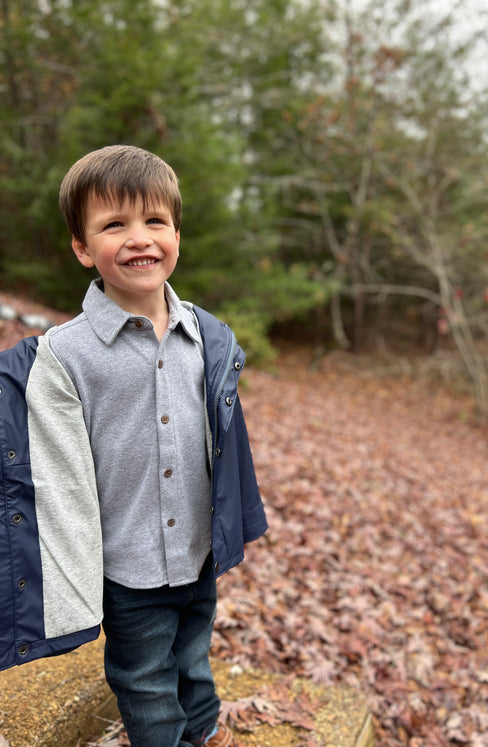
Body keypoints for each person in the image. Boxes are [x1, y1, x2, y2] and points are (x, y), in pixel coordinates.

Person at [0, 145, 267, 747]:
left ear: (176, 233)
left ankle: (205, 731)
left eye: (154, 221)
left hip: (198, 552)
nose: (139, 238)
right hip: (128, 566)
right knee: (145, 680)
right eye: (113, 225)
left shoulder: (207, 336)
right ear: (81, 246)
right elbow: (39, 460)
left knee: (194, 658)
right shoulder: (63, 356)